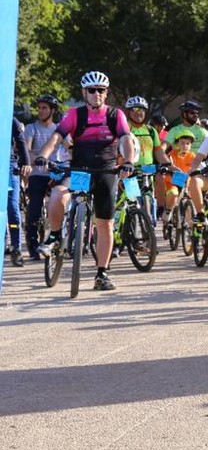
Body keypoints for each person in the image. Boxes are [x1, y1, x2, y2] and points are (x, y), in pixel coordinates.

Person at [37, 71, 135, 291]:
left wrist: (128, 160)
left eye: (101, 90)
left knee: (105, 224)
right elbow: (57, 137)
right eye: (92, 90)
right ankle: (53, 237)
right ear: (84, 92)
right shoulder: (75, 114)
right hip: (80, 171)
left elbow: (126, 138)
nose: (96, 94)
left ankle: (102, 273)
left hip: (106, 172)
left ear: (106, 92)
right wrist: (43, 155)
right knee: (57, 194)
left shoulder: (115, 115)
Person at [23, 95, 63, 262]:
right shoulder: (31, 128)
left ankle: (58, 239)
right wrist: (40, 158)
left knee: (61, 201)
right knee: (34, 207)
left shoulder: (59, 129)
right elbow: (27, 150)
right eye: (39, 108)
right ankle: (32, 245)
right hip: (38, 173)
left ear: (52, 111)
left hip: (56, 173)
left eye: (44, 108)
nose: (40, 111)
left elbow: (68, 146)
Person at [124, 96, 170, 216]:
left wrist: (167, 164)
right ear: (129, 112)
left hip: (147, 169)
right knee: (131, 200)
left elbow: (158, 151)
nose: (138, 113)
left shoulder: (151, 130)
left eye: (142, 110)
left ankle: (160, 208)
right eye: (134, 109)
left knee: (159, 178)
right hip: (131, 169)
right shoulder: (125, 129)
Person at [162, 128, 202, 231]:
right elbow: (168, 163)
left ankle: (190, 226)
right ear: (177, 144)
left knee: (192, 201)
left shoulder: (192, 155)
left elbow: (199, 165)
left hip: (186, 182)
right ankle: (168, 210)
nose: (185, 146)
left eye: (188, 143)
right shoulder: (172, 154)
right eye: (182, 143)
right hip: (173, 181)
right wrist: (169, 167)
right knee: (173, 194)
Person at [6, 117, 31, 266]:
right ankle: (4, 244)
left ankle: (16, 247)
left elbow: (20, 141)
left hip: (8, 166)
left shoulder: (10, 117)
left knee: (12, 208)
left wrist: (26, 163)